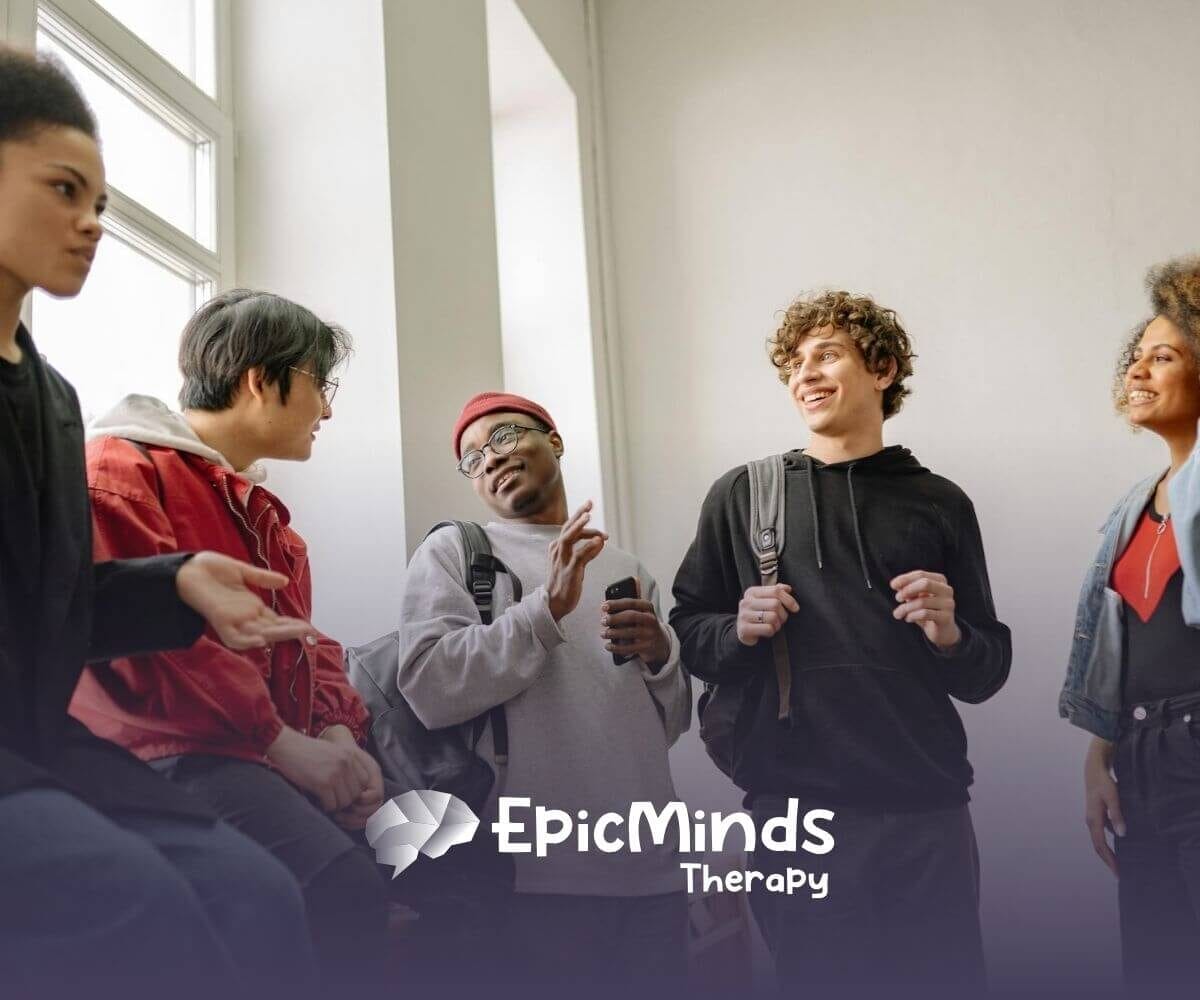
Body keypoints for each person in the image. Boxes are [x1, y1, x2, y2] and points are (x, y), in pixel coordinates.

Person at [0, 44, 318, 996]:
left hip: (37, 744)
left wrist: (172, 584)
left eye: (99, 201)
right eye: (64, 189)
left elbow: (45, 611)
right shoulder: (118, 458)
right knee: (136, 906)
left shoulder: (51, 397)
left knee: (258, 896)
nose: (91, 223)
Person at [671, 290, 1011, 992]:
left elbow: (986, 668)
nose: (805, 375)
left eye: (826, 355)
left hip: (927, 811)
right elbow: (689, 636)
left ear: (882, 368)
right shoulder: (742, 495)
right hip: (797, 815)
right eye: (794, 364)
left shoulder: (940, 502)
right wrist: (737, 627)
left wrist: (950, 634)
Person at [71, 289, 390, 987]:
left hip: (249, 755)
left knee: (394, 880)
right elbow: (162, 653)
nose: (328, 411)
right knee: (342, 891)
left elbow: (306, 644)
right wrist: (288, 748)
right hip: (166, 754)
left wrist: (337, 736)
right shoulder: (120, 473)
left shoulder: (269, 520)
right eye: (320, 385)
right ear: (258, 379)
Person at [390, 391, 691, 991]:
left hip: (654, 872)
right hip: (534, 879)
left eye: (504, 437)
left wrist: (661, 654)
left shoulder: (626, 564)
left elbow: (673, 721)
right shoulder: (455, 551)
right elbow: (429, 686)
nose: (491, 459)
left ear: (553, 440)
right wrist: (544, 611)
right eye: (473, 458)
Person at [1060, 256, 1200, 987]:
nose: (1137, 373)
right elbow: (1124, 654)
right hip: (1142, 759)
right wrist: (1098, 761)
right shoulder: (1131, 508)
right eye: (1135, 358)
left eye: (1164, 355)